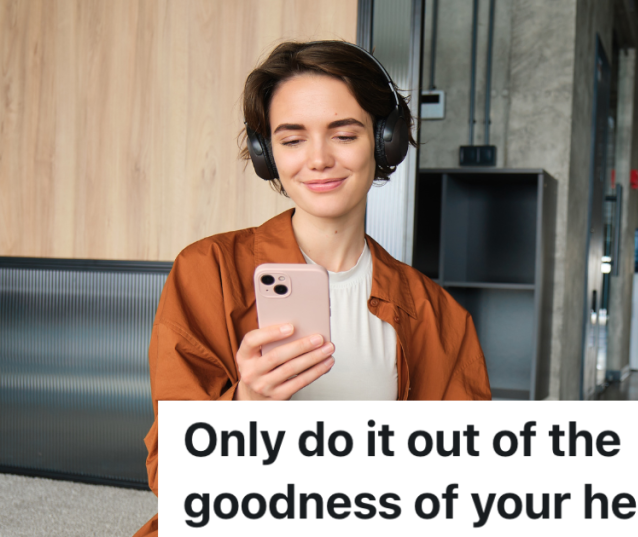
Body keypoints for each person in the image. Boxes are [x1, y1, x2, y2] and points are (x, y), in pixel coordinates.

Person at [134, 41, 492, 537]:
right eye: (293, 139)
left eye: (344, 134)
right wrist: (245, 409)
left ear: (385, 141)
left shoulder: (440, 317)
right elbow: (173, 479)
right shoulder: (207, 271)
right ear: (267, 154)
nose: (318, 160)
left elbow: (466, 488)